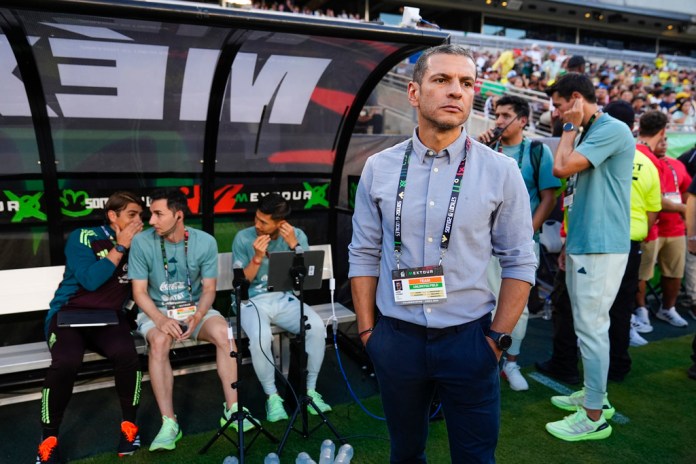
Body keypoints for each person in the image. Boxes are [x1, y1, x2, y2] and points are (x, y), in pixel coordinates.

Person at [349, 44, 537, 463]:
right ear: (414, 93)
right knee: (405, 454)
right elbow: (362, 252)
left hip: (470, 340)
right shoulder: (379, 168)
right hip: (396, 339)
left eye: (466, 83)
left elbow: (521, 260)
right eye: (442, 80)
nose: (456, 91)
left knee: (474, 457)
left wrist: (496, 339)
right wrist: (368, 334)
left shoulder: (500, 171)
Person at [543, 72, 634, 441]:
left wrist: (568, 127)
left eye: (560, 105)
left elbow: (560, 168)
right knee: (587, 326)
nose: (556, 112)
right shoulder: (592, 131)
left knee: (592, 328)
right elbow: (575, 190)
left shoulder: (610, 129)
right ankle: (595, 395)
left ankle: (594, 415)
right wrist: (569, 243)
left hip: (602, 244)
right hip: (586, 243)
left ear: (576, 98)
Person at [129, 188, 252, 452]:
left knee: (224, 333)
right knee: (159, 343)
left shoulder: (205, 241)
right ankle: (169, 422)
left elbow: (209, 289)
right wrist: (160, 320)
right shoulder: (141, 242)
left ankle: (232, 409)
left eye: (158, 214)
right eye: (151, 214)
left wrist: (197, 316)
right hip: (157, 311)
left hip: (195, 309)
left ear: (178, 215)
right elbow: (138, 292)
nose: (151, 221)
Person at [36, 192, 145, 464]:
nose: (138, 221)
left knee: (127, 355)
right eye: (132, 215)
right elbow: (90, 280)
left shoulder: (141, 243)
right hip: (68, 315)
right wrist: (119, 247)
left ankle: (129, 428)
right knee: (66, 362)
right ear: (112, 215)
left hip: (108, 318)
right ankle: (48, 439)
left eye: (140, 216)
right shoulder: (83, 236)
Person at [479, 95, 561, 391]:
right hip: (484, 243)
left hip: (523, 244)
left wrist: (526, 233)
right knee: (484, 303)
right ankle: (487, 361)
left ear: (522, 120)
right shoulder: (485, 149)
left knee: (519, 308)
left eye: (505, 115)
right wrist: (477, 146)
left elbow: (549, 196)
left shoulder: (537, 150)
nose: (498, 120)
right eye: (497, 115)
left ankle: (511, 363)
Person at [231, 193, 331, 422]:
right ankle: (272, 397)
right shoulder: (243, 238)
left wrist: (294, 246)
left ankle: (310, 391)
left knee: (316, 327)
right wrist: (256, 258)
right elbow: (240, 285)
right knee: (261, 337)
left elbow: (306, 280)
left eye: (263, 222)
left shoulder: (296, 237)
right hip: (251, 301)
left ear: (280, 223)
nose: (257, 225)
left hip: (283, 298)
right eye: (256, 218)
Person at [634, 111, 691, 331]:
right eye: (662, 139)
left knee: (674, 272)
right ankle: (640, 310)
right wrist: (682, 208)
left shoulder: (677, 164)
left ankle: (668, 308)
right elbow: (654, 200)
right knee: (642, 274)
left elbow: (687, 191)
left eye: (667, 141)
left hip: (675, 228)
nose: (664, 144)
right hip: (650, 229)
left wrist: (684, 212)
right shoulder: (642, 160)